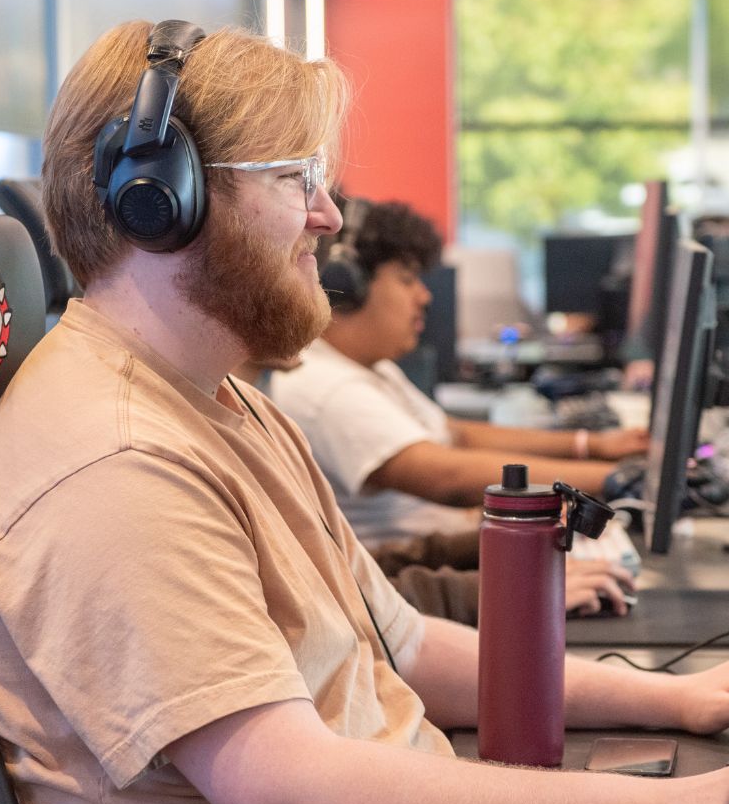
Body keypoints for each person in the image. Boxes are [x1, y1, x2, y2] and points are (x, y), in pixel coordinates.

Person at [0, 19, 729, 804]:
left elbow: (401, 646)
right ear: (159, 200)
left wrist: (672, 699)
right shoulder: (115, 463)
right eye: (296, 179)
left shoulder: (217, 402)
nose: (328, 216)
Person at [269, 199, 648, 615]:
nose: (424, 295)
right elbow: (446, 476)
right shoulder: (326, 387)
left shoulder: (368, 369)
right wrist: (617, 480)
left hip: (448, 564)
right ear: (349, 286)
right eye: (407, 279)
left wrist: (592, 445)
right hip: (416, 595)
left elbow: (456, 433)